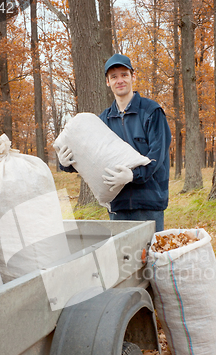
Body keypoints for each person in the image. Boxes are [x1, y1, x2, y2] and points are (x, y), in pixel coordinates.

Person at [57, 53, 171, 232]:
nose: (120, 80)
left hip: (150, 203)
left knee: (151, 258)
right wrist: (67, 164)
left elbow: (158, 154)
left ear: (133, 76)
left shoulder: (152, 112)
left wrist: (134, 176)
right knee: (123, 258)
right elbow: (91, 158)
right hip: (118, 205)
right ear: (107, 82)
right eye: (114, 77)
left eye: (124, 75)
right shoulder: (102, 120)